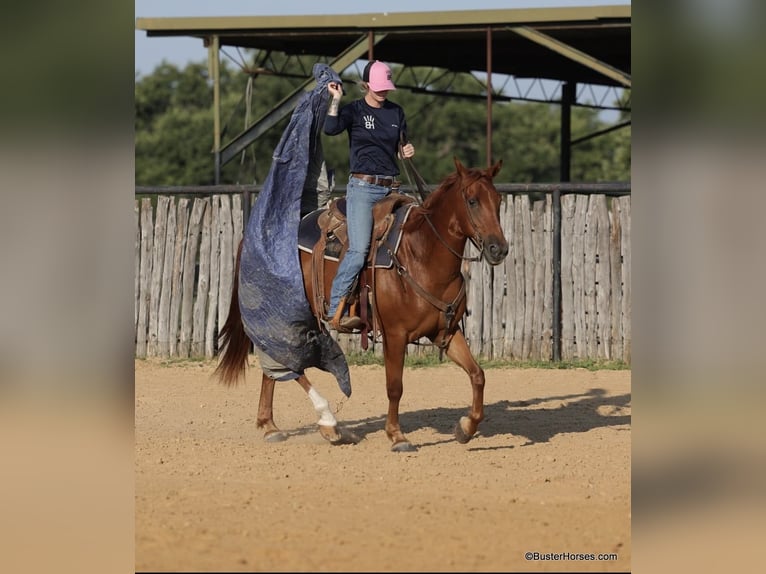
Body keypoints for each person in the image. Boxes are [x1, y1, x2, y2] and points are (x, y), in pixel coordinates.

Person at [323, 60, 416, 331]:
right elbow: (330, 129)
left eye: (386, 87)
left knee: (415, 237)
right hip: (363, 189)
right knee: (359, 248)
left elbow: (400, 146)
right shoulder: (354, 110)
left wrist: (406, 150)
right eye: (378, 88)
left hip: (392, 188)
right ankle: (335, 308)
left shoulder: (396, 113)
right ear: (366, 86)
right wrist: (336, 100)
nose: (383, 92)